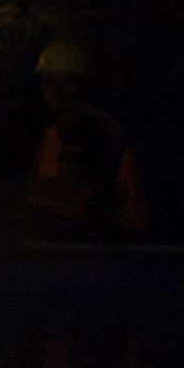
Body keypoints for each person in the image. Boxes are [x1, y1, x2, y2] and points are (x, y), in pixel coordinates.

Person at [26, 40, 149, 238]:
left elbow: (81, 204)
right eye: (48, 80)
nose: (56, 90)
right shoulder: (64, 127)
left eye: (67, 81)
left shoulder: (88, 128)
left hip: (102, 243)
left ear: (83, 84)